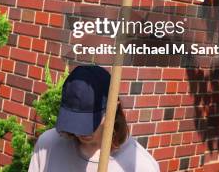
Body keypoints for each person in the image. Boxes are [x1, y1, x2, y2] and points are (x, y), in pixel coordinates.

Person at [28, 65, 159, 172]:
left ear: (113, 109)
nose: (80, 131)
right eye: (74, 120)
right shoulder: (48, 145)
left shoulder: (140, 166)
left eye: (89, 120)